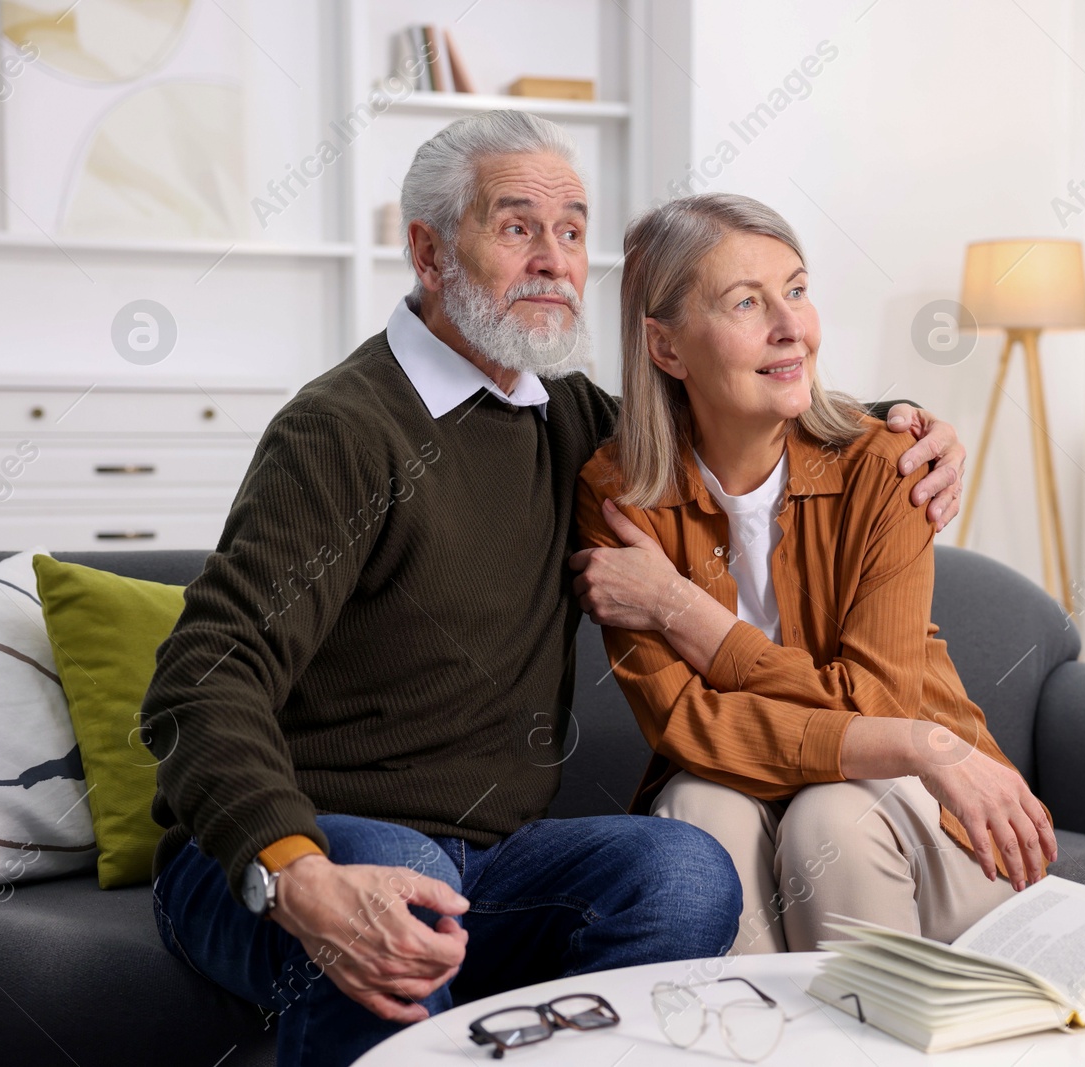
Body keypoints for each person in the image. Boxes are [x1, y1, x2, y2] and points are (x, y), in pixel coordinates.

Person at [142, 114, 969, 1067]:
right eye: (516, 227)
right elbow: (201, 678)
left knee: (683, 871)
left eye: (572, 231)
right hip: (282, 857)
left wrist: (896, 419)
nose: (554, 260)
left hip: (488, 864)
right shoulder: (342, 429)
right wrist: (295, 871)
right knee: (401, 876)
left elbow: (724, 392)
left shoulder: (567, 422)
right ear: (428, 250)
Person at [572, 193, 1057, 957]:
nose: (791, 324)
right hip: (746, 788)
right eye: (746, 302)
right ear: (665, 349)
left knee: (831, 817)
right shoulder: (619, 495)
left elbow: (880, 706)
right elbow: (687, 725)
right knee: (698, 809)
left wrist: (685, 613)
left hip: (921, 804)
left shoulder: (889, 466)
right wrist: (896, 736)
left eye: (797, 289)